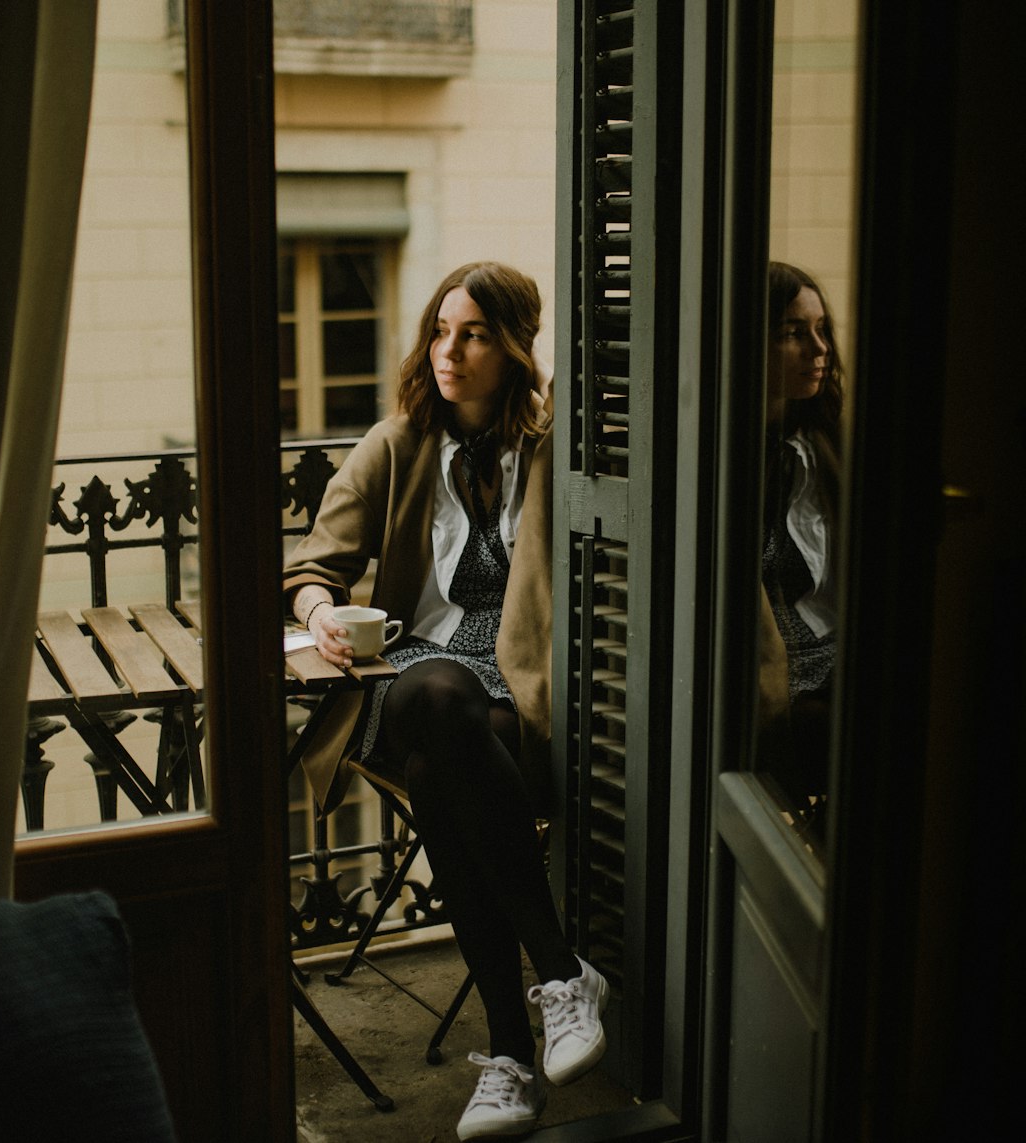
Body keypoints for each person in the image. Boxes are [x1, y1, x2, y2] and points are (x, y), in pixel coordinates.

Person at [283, 262, 607, 1138]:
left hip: (517, 686)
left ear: (513, 348)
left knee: (444, 773)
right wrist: (322, 617)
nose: (448, 351)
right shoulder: (395, 443)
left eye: (471, 334)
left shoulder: (549, 448)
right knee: (435, 697)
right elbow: (312, 567)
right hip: (414, 674)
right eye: (439, 331)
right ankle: (561, 969)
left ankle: (508, 1052)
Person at [760, 261, 844, 818]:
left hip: (832, 649)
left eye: (821, 331)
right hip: (763, 668)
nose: (819, 350)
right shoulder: (709, 457)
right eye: (793, 333)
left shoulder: (825, 445)